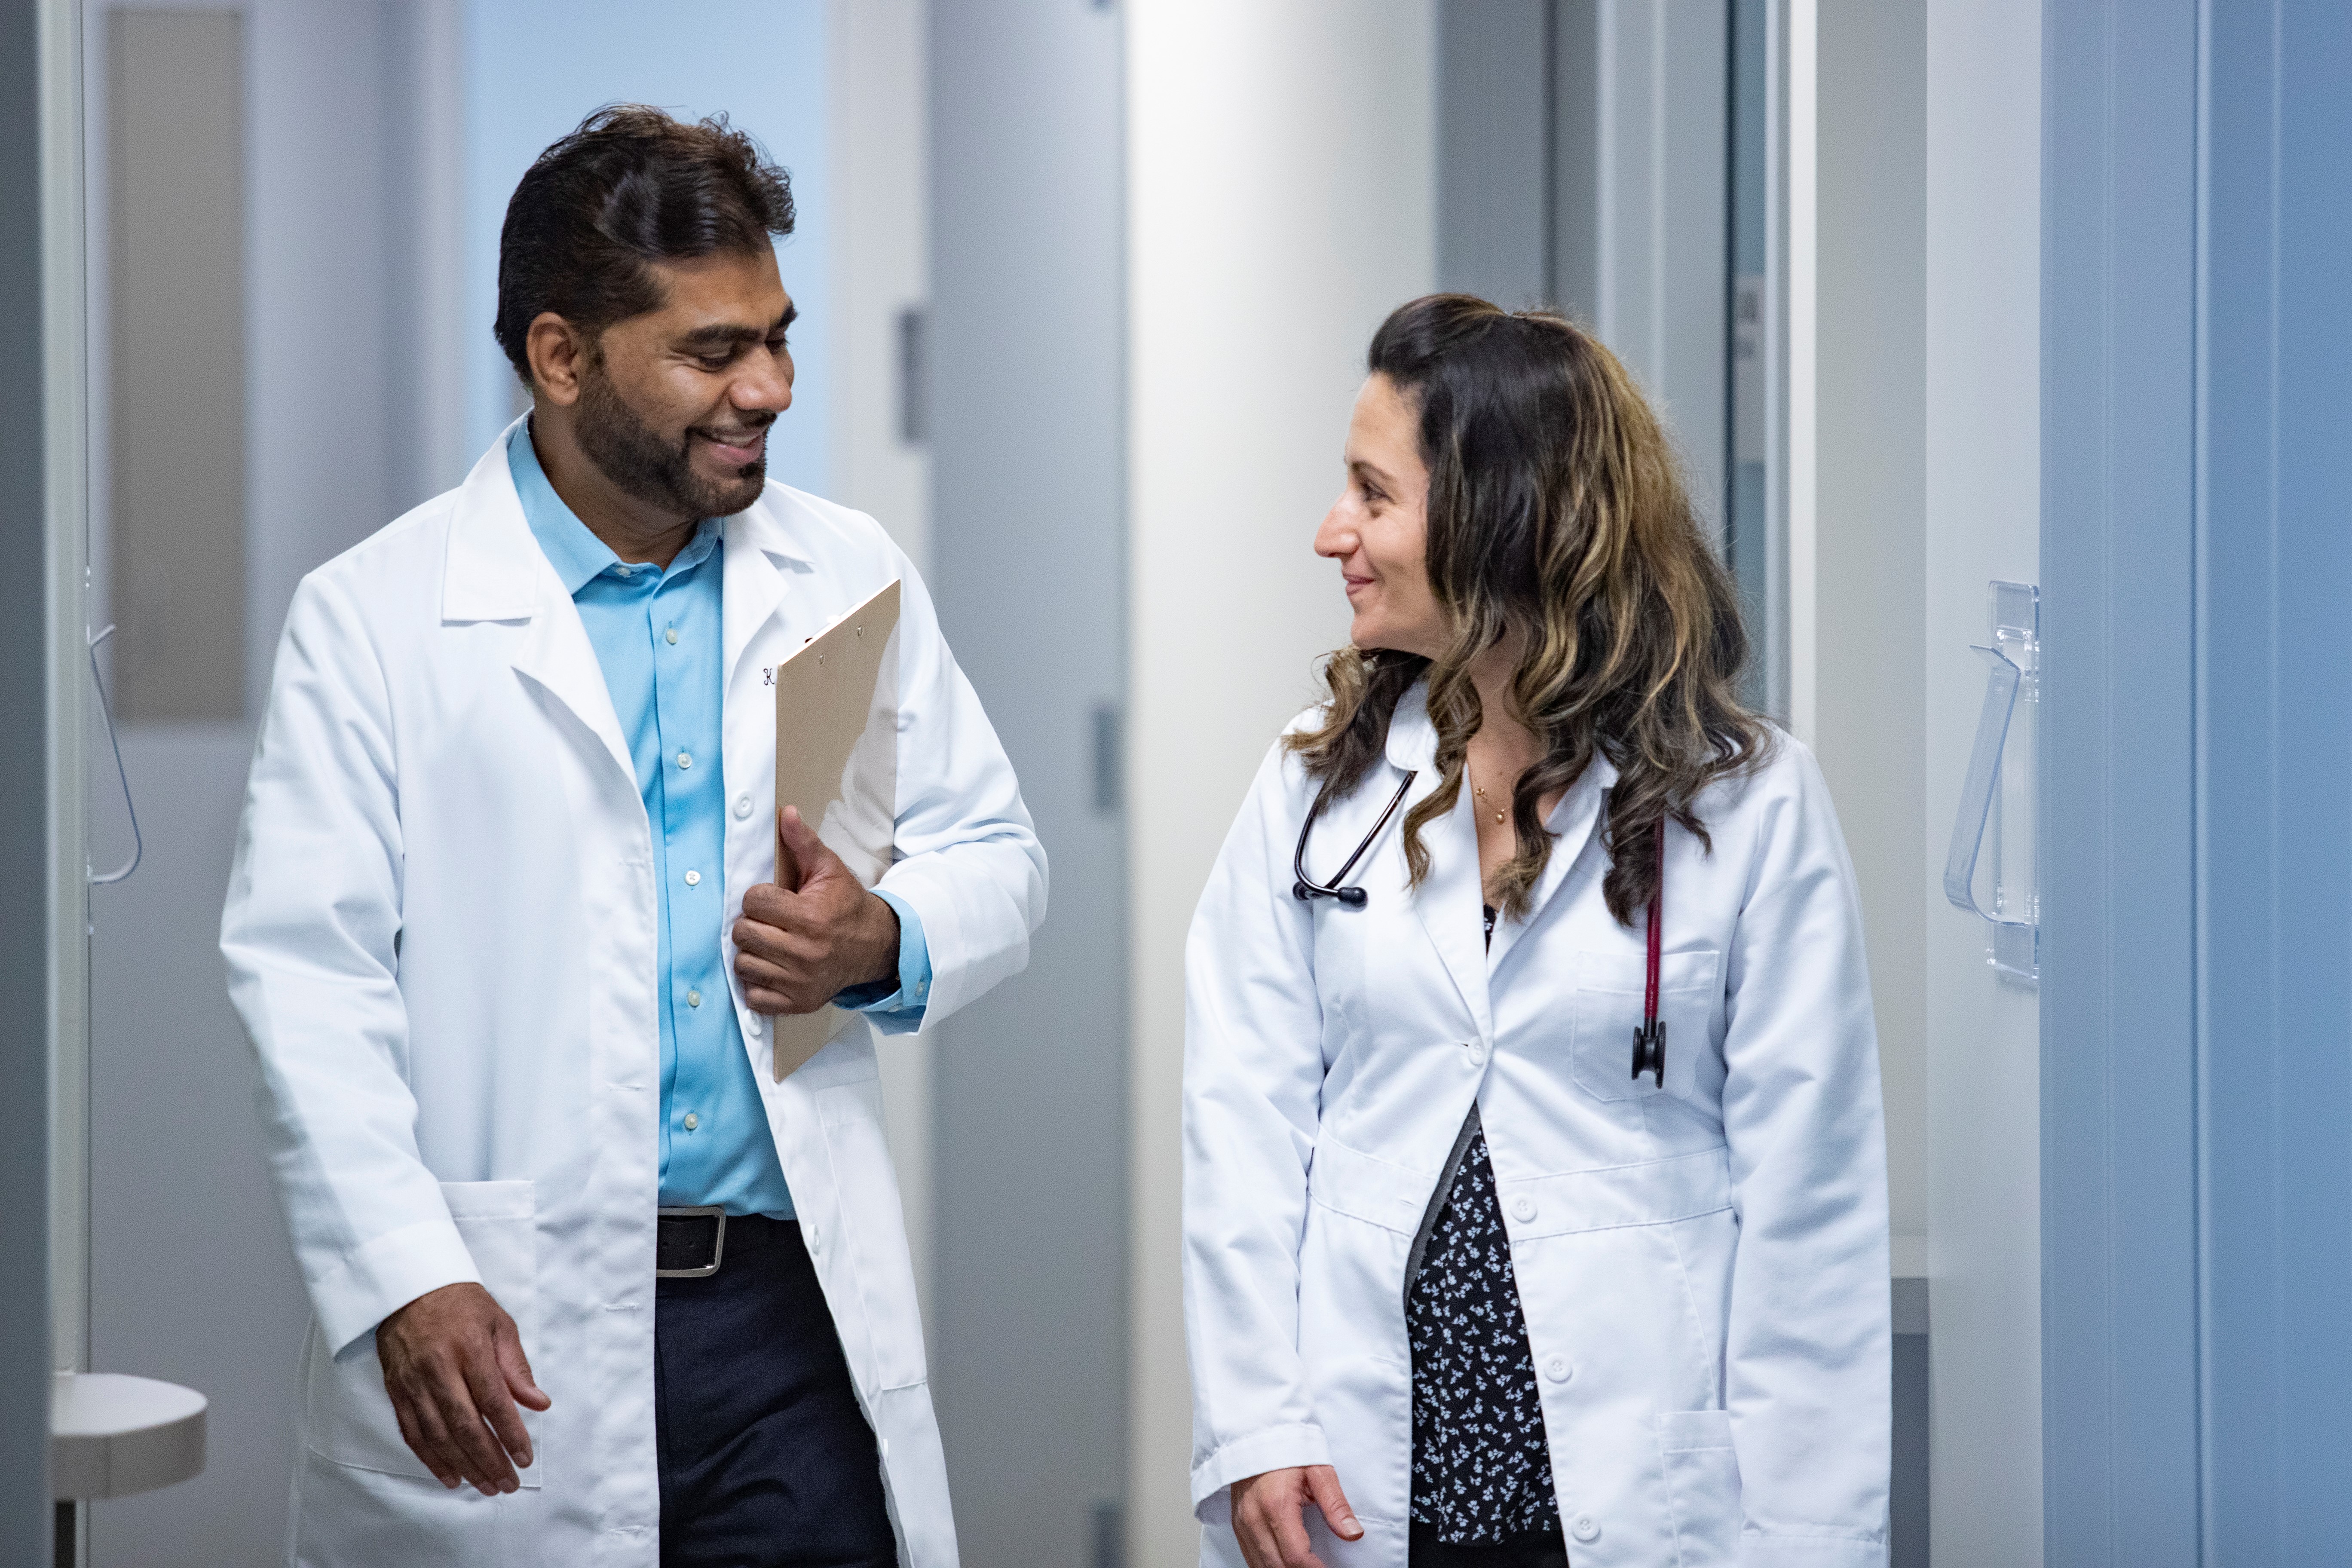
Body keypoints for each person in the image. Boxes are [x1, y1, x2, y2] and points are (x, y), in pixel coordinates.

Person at [222, 106, 1044, 1567]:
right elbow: (308, 982)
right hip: (505, 1313)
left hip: (785, 1319)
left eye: (779, 339)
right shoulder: (377, 618)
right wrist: (406, 1278)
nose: (771, 388)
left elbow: (998, 855)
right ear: (561, 358)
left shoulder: (841, 575)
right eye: (712, 352)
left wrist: (885, 938)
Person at [1182, 295, 1890, 1568]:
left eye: (1372, 495)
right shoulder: (1314, 789)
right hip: (1365, 1487)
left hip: (1639, 1492)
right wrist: (1252, 1418)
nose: (1331, 533)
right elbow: (1240, 1121)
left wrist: (1812, 1542)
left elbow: (1813, 1213)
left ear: (1501, 519)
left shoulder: (1751, 805)